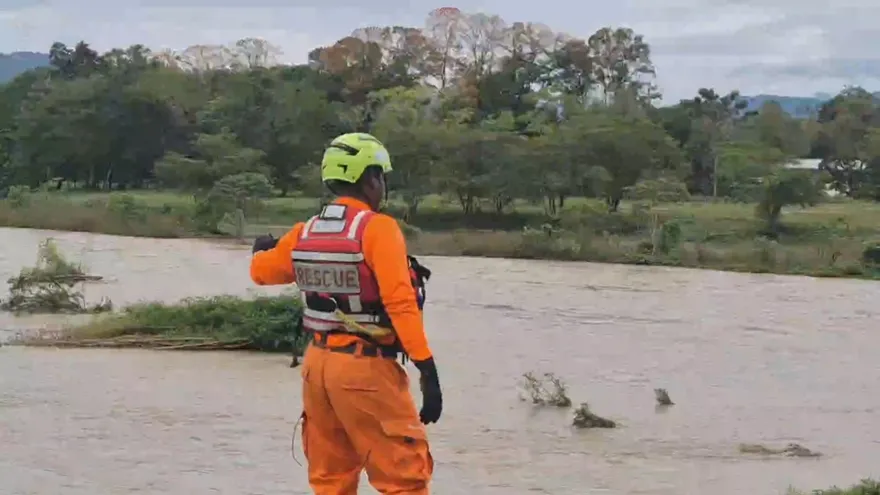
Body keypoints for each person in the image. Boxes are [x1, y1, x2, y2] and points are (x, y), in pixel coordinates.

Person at [249, 132, 442, 494]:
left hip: (317, 366)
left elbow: (261, 271)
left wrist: (260, 250)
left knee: (331, 480)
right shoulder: (378, 229)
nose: (381, 186)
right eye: (380, 177)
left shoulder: (305, 231)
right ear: (369, 179)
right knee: (404, 479)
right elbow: (400, 302)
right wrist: (427, 369)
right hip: (365, 369)